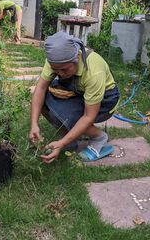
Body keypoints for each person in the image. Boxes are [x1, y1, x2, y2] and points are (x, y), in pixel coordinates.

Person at [29, 31, 120, 164]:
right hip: (81, 92)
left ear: (76, 58)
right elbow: (40, 89)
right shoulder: (56, 60)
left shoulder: (94, 71)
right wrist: (34, 124)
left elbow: (89, 116)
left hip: (106, 100)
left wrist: (62, 144)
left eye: (64, 69)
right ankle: (69, 138)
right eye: (55, 70)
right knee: (44, 102)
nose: (60, 73)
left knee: (69, 116)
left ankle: (99, 137)